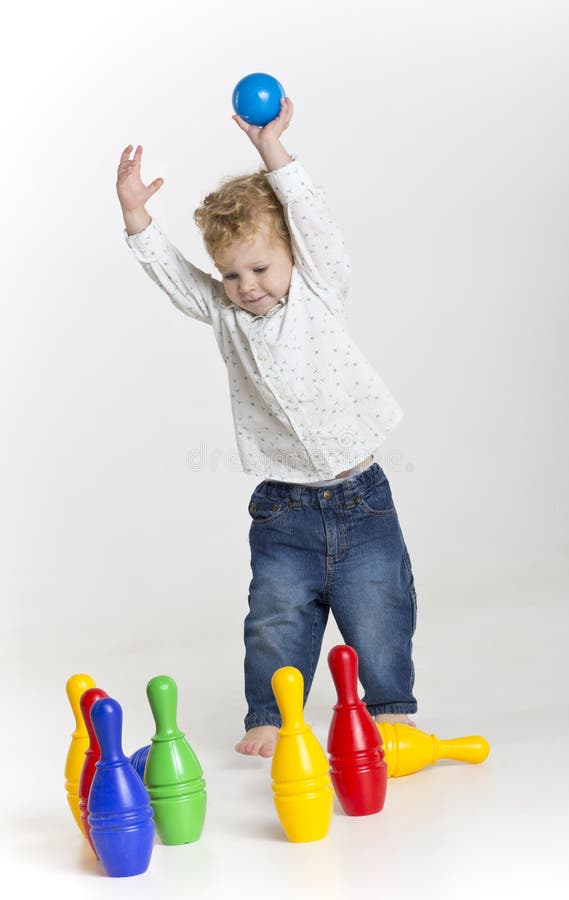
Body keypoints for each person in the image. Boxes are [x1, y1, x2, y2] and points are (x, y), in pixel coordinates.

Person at [116, 97, 418, 758]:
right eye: (231, 273)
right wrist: (137, 215)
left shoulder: (317, 286)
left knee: (379, 607)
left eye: (259, 268)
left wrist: (272, 149)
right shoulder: (225, 312)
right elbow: (173, 275)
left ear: (291, 258)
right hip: (283, 507)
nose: (246, 285)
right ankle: (272, 716)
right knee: (275, 617)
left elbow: (310, 219)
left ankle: (391, 708)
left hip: (361, 495)